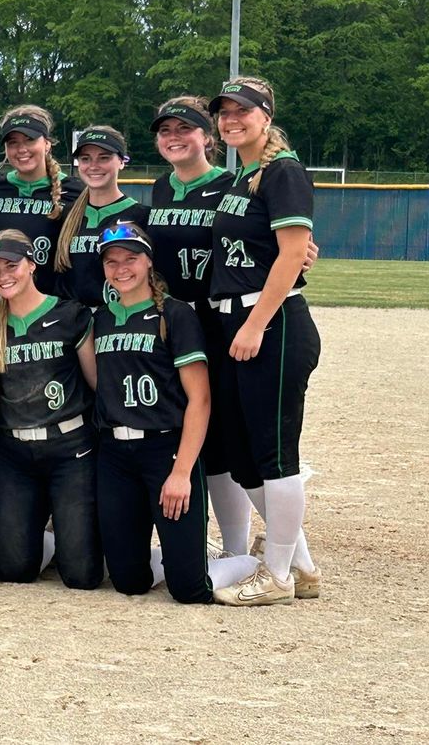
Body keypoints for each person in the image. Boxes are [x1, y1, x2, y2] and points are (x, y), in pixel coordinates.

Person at [91, 222, 258, 603]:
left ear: (149, 261)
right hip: (115, 455)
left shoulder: (175, 314)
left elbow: (199, 400)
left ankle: (247, 562)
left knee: (189, 590)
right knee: (128, 582)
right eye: (111, 261)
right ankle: (177, 553)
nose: (121, 268)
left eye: (131, 258)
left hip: (164, 450)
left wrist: (181, 472)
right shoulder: (100, 319)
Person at [206, 77, 322, 606]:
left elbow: (291, 254)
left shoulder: (284, 171)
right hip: (239, 322)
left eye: (242, 111)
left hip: (269, 324)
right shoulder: (244, 175)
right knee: (245, 454)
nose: (231, 120)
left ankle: (274, 575)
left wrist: (255, 323)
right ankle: (300, 566)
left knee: (276, 454)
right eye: (224, 113)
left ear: (266, 116)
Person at [145, 96, 255, 558]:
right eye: (165, 130)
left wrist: (307, 250)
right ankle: (227, 545)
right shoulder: (161, 188)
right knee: (194, 430)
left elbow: (270, 238)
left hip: (217, 317)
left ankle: (244, 547)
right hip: (173, 319)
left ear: (206, 137)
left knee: (228, 434)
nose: (174, 137)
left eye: (184, 129)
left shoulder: (231, 184)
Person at [0, 229, 101, 587]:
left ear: (32, 264)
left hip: (70, 448)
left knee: (80, 576)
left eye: (12, 265)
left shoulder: (69, 314)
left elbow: (97, 384)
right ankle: (50, 539)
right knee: (15, 571)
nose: (4, 276)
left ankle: (74, 541)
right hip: (15, 452)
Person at [0, 105, 81, 316]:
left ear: (47, 144)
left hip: (51, 309)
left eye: (30, 140)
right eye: (13, 143)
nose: (21, 149)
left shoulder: (74, 191)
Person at [55, 126, 149, 309]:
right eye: (85, 158)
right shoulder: (65, 215)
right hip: (70, 323)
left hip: (119, 322)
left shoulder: (141, 216)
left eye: (104, 157)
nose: (93, 166)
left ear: (122, 161)